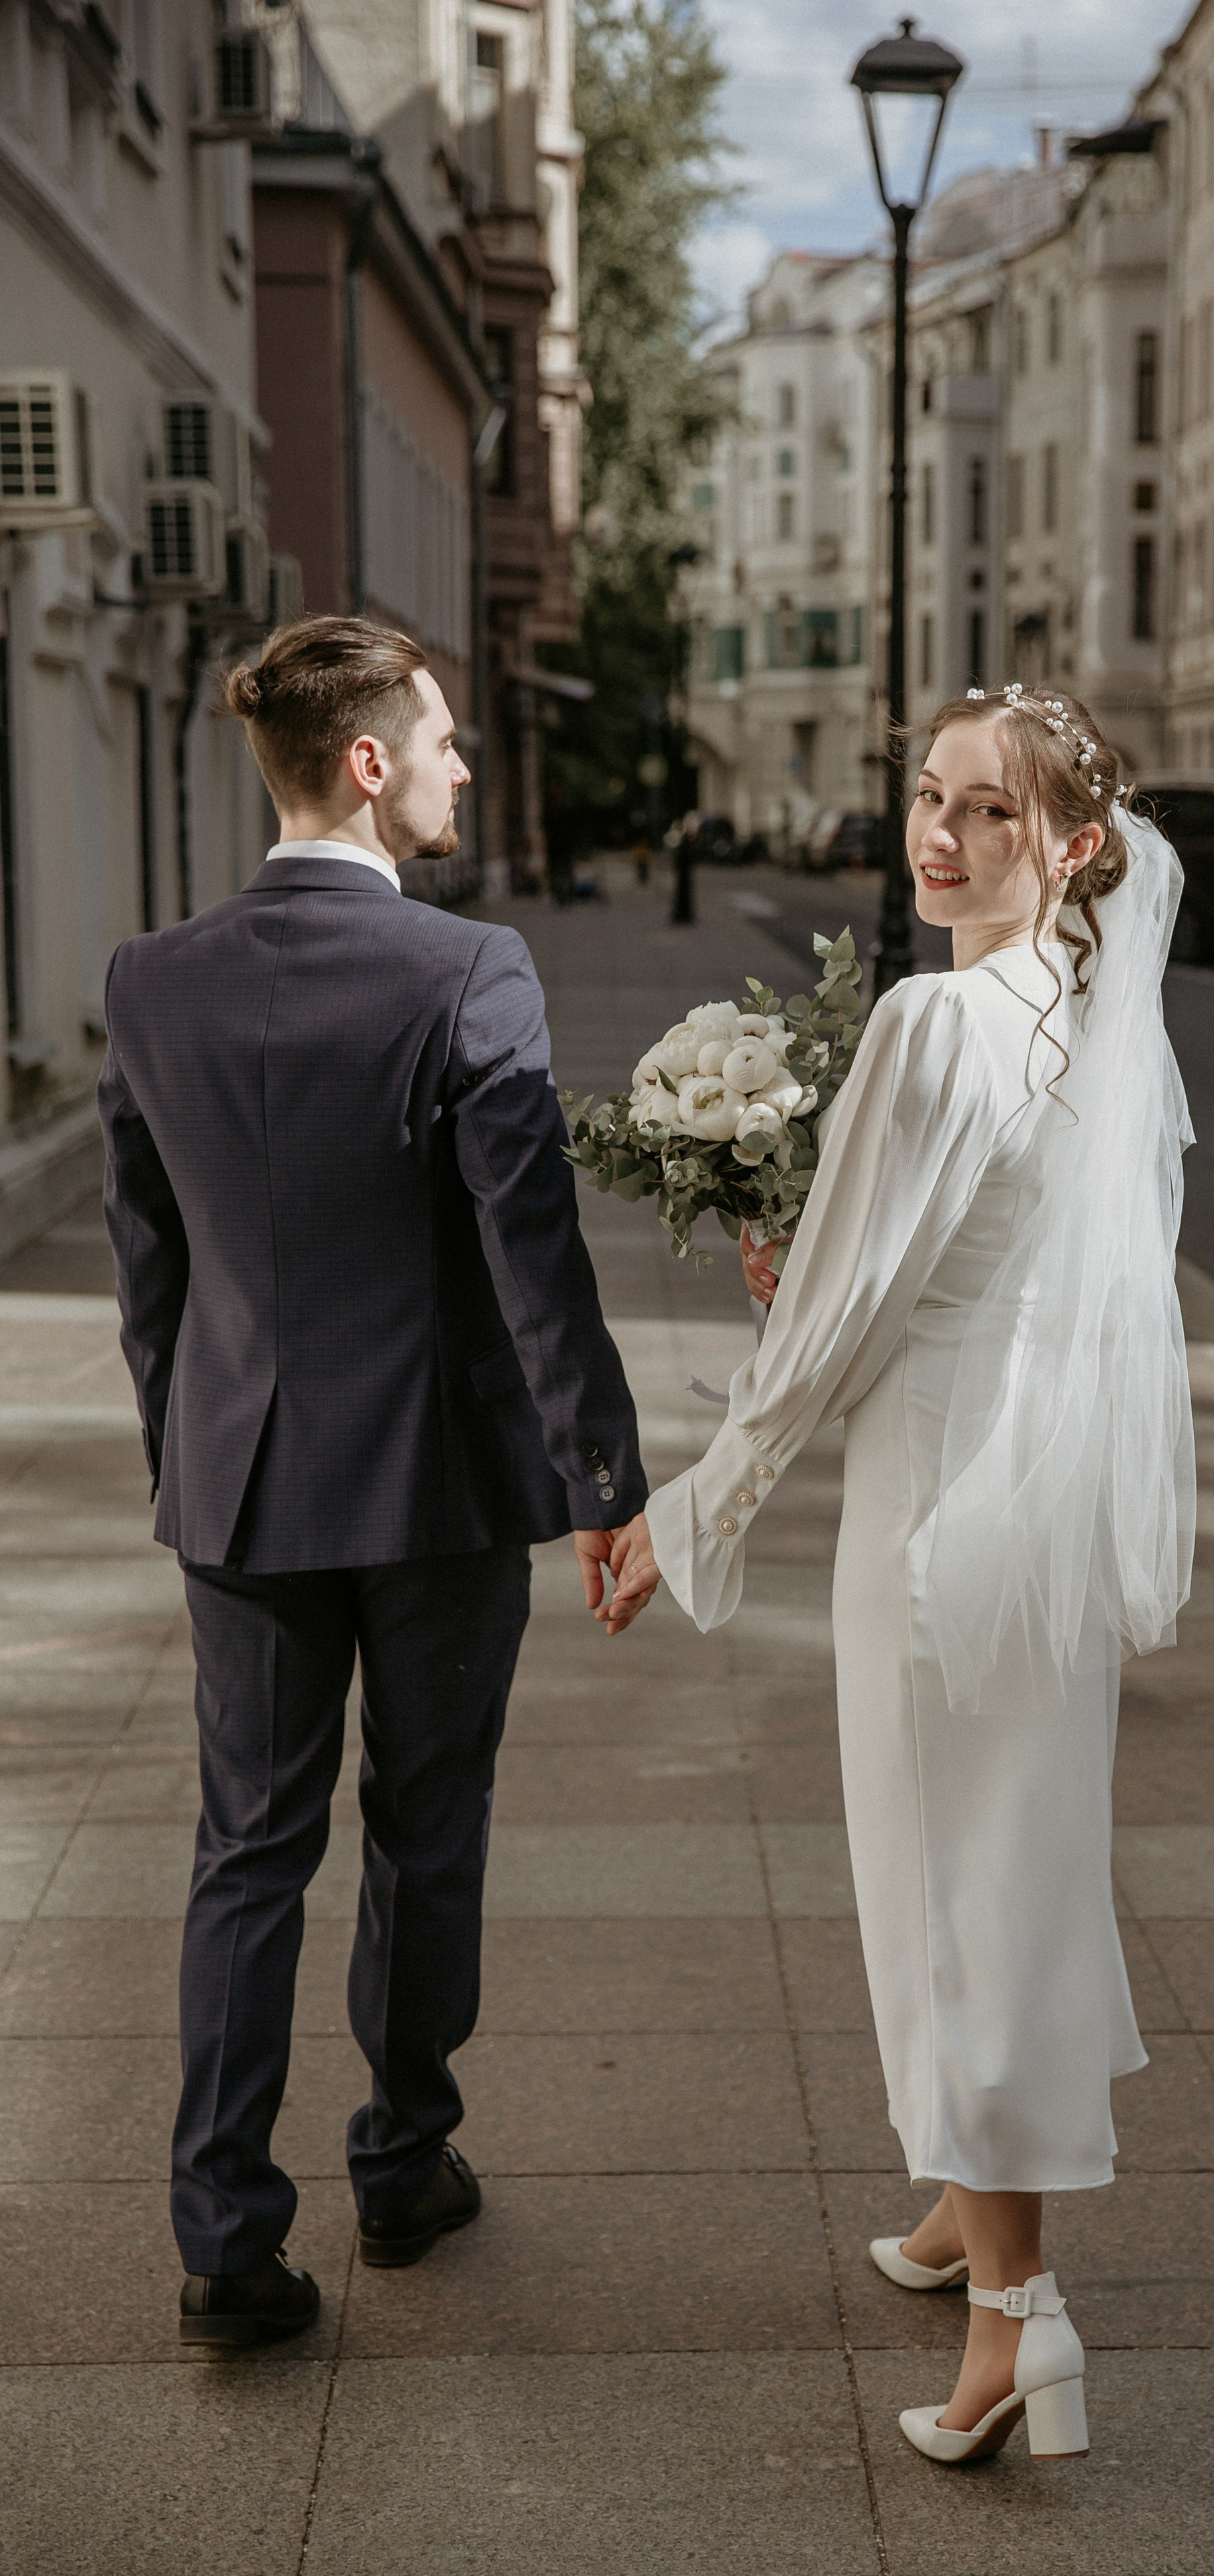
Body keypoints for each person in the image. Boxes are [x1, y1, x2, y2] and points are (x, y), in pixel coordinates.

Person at [647, 682, 1195, 2467]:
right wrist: (823, 1266)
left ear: (1079, 844)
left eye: (993, 815)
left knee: (953, 1892)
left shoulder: (935, 1015)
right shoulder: (1093, 1010)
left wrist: (690, 1511)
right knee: (1020, 1850)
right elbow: (978, 1261)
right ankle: (974, 2208)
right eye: (931, 800)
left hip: (938, 1510)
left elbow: (833, 1328)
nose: (942, 840)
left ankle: (1015, 2326)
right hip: (1035, 1491)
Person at [99, 615, 661, 2351]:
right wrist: (607, 1477)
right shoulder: (466, 973)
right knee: (426, 1832)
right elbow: (532, 1260)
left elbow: (148, 1269)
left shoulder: (149, 978)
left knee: (246, 1851)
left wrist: (185, 1448)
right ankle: (404, 2165)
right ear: (366, 765)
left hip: (239, 1488)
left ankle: (223, 2234)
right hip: (434, 1491)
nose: (462, 765)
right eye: (441, 740)